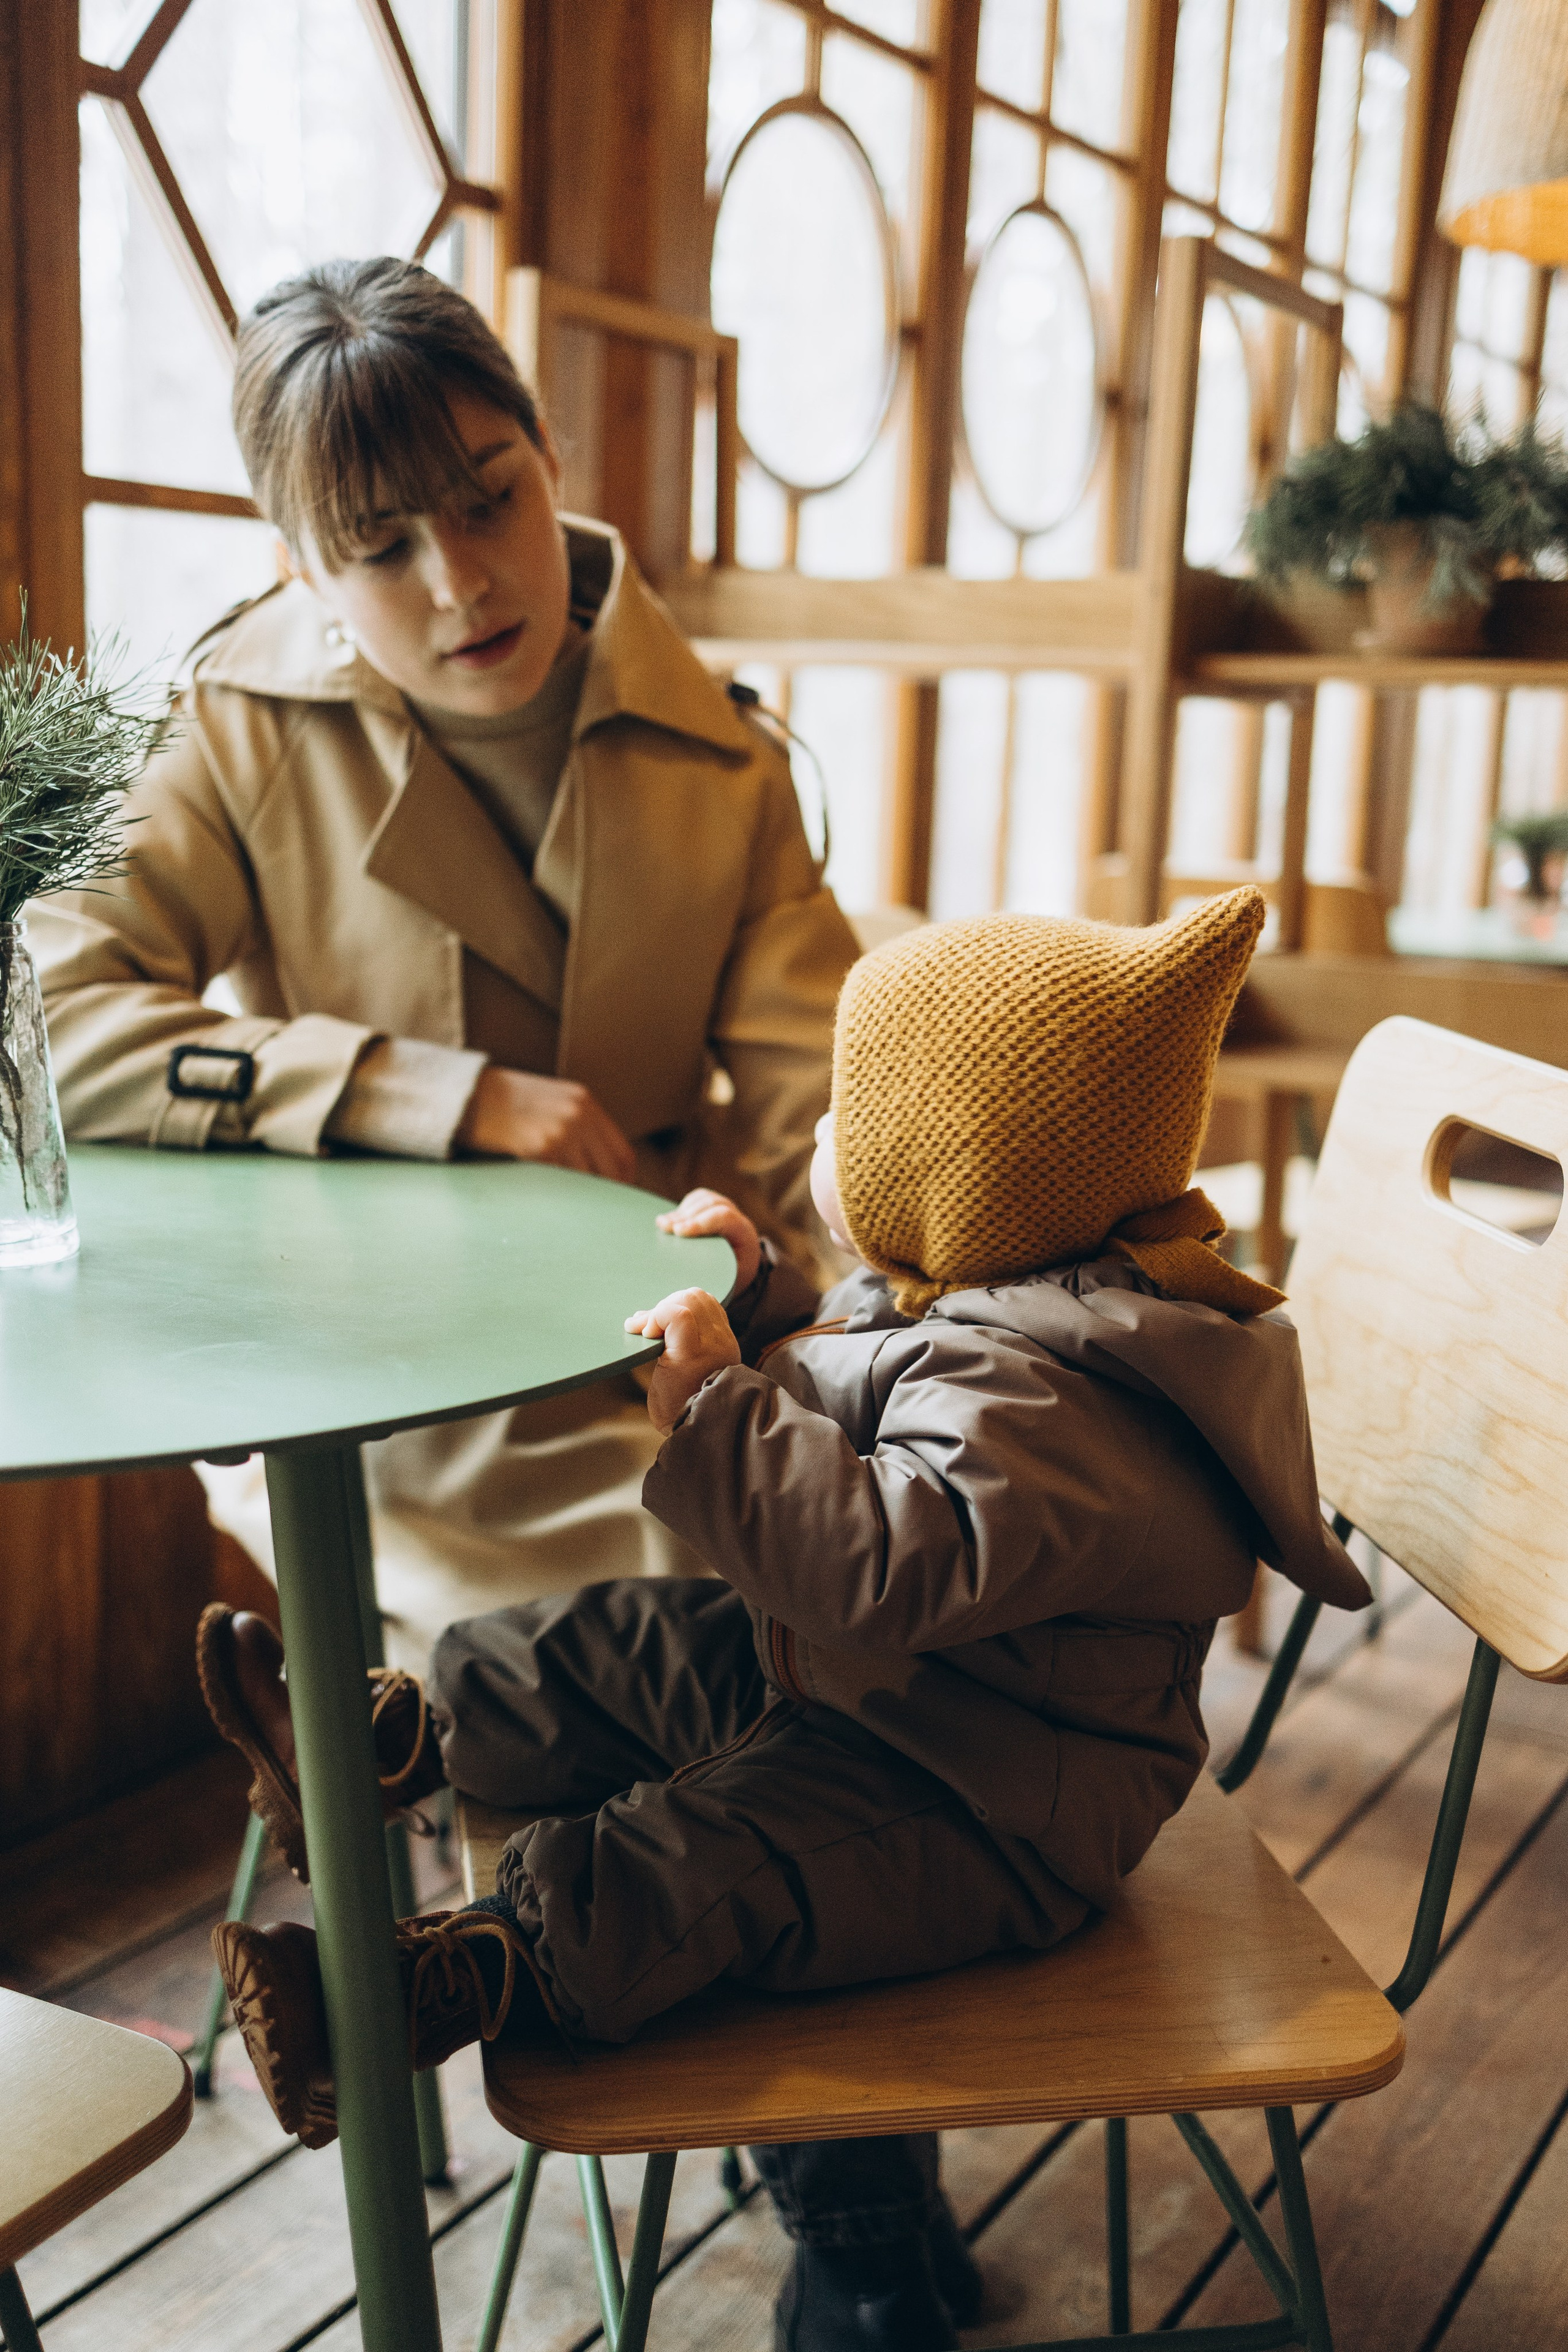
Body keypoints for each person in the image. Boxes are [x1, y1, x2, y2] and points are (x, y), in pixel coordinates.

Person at [200, 888, 1373, 2352]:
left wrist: (712, 1407)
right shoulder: (1018, 1287)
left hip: (978, 1803)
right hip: (873, 1688)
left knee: (697, 1858)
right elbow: (878, 1379)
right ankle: (382, 1746)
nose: (822, 1145)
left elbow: (877, 1561)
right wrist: (766, 1304)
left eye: (848, 1122)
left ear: (955, 1174)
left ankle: (432, 1986)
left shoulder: (1065, 1408)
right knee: (595, 1642)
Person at [28, 255, 857, 1666]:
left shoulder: (728, 756)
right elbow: (47, 1015)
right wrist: (436, 1093)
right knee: (635, 1650)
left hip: (683, 1353)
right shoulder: (235, 727)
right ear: (297, 562)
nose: (461, 578)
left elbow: (830, 1124)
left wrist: (779, 1290)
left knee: (842, 1595)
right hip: (366, 1380)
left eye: (491, 495)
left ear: (551, 457)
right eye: (378, 546)